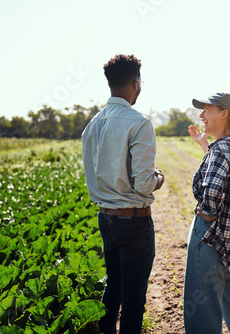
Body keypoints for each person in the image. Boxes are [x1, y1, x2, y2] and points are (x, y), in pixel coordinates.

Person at [81, 54, 165, 334]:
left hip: (106, 219)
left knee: (113, 287)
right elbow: (143, 184)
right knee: (133, 299)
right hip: (134, 222)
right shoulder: (139, 122)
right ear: (136, 84)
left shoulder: (92, 124)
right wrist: (159, 178)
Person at [183, 93, 230, 333]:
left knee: (203, 312)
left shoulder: (220, 151)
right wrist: (205, 145)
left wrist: (206, 212)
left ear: (223, 114)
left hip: (211, 237)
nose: (201, 115)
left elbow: (212, 190)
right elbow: (223, 175)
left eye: (206, 110)